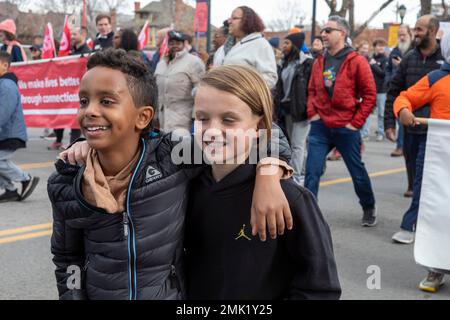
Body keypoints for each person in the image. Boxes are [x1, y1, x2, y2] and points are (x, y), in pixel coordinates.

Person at [50, 48, 296, 300]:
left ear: (143, 116)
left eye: (106, 101)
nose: (89, 110)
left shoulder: (172, 157)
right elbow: (68, 259)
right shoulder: (67, 180)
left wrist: (268, 174)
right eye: (83, 101)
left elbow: (257, 133)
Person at [185, 64, 341, 300]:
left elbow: (320, 289)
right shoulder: (184, 186)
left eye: (229, 120)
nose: (212, 131)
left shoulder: (291, 200)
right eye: (202, 118)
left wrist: (269, 170)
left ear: (258, 127)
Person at [305, 16, 378, 227]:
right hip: (320, 126)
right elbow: (311, 90)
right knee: (312, 172)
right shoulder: (319, 60)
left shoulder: (357, 61)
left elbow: (370, 95)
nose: (323, 34)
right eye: (323, 31)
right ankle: (308, 215)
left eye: (328, 30)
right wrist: (313, 113)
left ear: (342, 34)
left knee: (357, 172)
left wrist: (355, 123)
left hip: (346, 127)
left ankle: (368, 206)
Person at [393, 31, 450, 293]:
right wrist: (403, 111)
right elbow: (404, 97)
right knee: (436, 209)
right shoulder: (438, 78)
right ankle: (436, 268)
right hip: (440, 155)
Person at [386, 15, 444, 243]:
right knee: (416, 178)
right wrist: (390, 122)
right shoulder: (409, 58)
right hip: (411, 131)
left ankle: (409, 224)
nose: (415, 32)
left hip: (437, 134)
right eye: (414, 29)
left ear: (433, 30)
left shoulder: (444, 62)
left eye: (419, 29)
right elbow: (396, 92)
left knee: (423, 179)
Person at [0, 52, 39, 202]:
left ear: (5, 65)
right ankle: (10, 190)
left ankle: (25, 178)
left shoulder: (7, 85)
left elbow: (3, 112)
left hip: (10, 133)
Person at [274, 32, 313, 184]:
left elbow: (311, 88)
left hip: (301, 109)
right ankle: (300, 170)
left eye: (287, 43)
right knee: (292, 143)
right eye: (284, 44)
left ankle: (297, 177)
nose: (283, 47)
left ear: (295, 45)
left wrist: (310, 108)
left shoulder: (307, 63)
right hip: (286, 108)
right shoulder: (284, 63)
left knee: (298, 144)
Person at [213, 6, 278, 89]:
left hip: (243, 100)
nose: (229, 21)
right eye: (230, 18)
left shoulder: (260, 45)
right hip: (219, 99)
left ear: (247, 21)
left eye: (234, 18)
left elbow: (270, 78)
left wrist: (242, 90)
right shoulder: (222, 49)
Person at [48, 27, 91, 151]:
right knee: (60, 113)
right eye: (71, 34)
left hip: (79, 89)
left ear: (83, 35)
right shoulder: (70, 51)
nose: (71, 36)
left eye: (74, 34)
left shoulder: (87, 52)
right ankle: (58, 140)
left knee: (75, 117)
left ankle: (73, 143)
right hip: (67, 89)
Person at [154, 30, 205, 132]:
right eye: (172, 43)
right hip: (162, 122)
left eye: (178, 43)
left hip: (184, 122)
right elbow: (155, 91)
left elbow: (201, 90)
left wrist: (196, 118)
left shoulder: (194, 62)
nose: (175, 46)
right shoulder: (161, 64)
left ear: (184, 44)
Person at [386, 25, 414, 158]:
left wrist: (402, 64)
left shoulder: (414, 51)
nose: (402, 37)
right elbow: (388, 69)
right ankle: (402, 145)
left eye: (404, 35)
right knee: (398, 119)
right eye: (400, 35)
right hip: (395, 89)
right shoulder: (395, 51)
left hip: (409, 91)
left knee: (403, 117)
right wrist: (388, 81)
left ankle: (401, 146)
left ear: (410, 35)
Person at [360, 38, 389, 142]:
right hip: (370, 90)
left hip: (381, 90)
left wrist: (374, 65)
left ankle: (380, 132)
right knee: (367, 112)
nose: (380, 47)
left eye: (382, 46)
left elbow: (383, 74)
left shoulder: (386, 60)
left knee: (381, 113)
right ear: (375, 47)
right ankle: (365, 133)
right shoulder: (370, 58)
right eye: (378, 45)